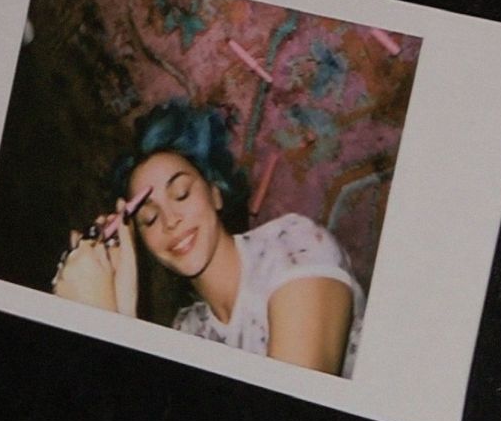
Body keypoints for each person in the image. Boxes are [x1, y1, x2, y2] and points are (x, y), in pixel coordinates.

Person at [53, 100, 365, 378]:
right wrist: (122, 315)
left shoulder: (293, 246)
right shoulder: (187, 330)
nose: (170, 220)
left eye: (181, 194)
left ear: (216, 193)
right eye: (149, 218)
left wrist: (102, 325)